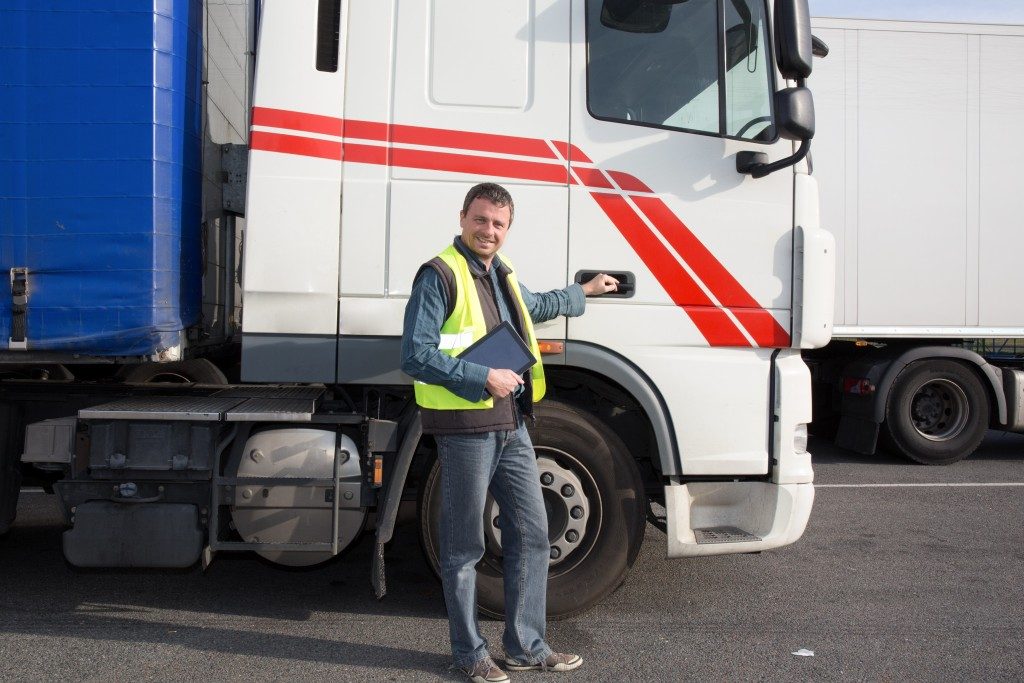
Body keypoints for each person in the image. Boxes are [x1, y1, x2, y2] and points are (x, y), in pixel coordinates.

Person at [401, 182, 618, 682]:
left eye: (498, 224)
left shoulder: (501, 272)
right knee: (463, 548)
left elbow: (532, 307)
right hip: (465, 427)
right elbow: (415, 353)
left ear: (507, 229)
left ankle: (525, 646)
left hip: (511, 423)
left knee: (533, 534)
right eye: (481, 220)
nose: (489, 231)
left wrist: (581, 292)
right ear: (462, 219)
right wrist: (483, 376)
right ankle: (469, 654)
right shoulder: (439, 275)